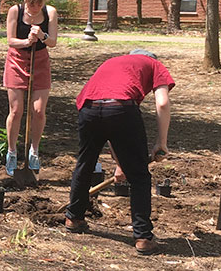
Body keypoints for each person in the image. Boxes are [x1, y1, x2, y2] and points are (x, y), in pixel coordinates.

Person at [64, 49, 175, 255]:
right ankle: (143, 237)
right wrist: (162, 142)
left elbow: (109, 122)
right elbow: (162, 102)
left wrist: (121, 164)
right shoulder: (153, 64)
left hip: (88, 108)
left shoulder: (113, 62)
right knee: (139, 175)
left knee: (85, 162)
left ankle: (74, 217)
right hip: (121, 108)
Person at [3, 0, 58, 176]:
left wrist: (42, 35)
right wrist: (26, 41)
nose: (34, 8)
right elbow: (10, 40)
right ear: (25, 0)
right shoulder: (15, 11)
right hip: (17, 60)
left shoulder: (50, 12)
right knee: (16, 110)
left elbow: (52, 42)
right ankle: (11, 152)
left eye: (38, 5)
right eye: (31, 4)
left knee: (38, 110)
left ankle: (34, 150)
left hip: (40, 61)